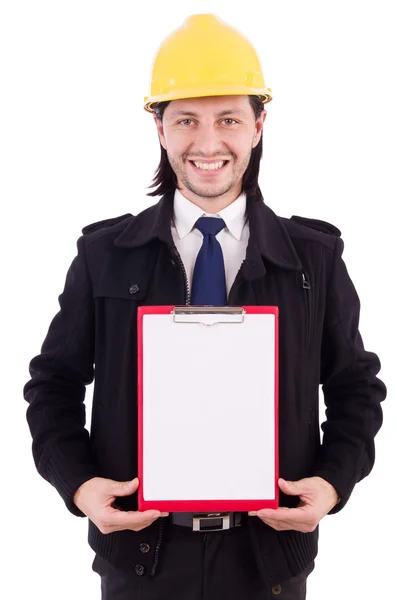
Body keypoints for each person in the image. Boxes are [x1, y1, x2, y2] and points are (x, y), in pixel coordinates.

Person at [23, 13, 386, 600]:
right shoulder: (103, 255)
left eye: (229, 120)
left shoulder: (313, 261)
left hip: (269, 563)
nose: (208, 143)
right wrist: (80, 485)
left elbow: (355, 389)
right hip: (140, 560)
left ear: (259, 126)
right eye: (186, 120)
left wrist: (333, 483)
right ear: (160, 131)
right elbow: (53, 386)